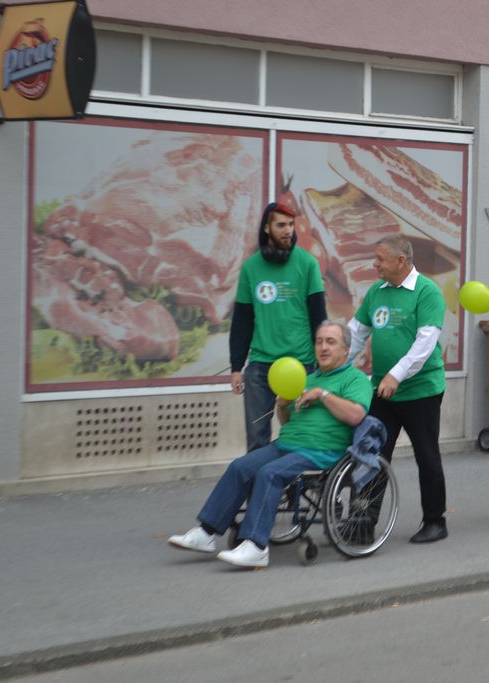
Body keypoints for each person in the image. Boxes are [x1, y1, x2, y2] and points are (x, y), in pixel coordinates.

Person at [168, 321, 372, 568]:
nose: (323, 348)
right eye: (319, 342)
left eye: (330, 342)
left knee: (269, 473)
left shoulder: (355, 379)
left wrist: (323, 395)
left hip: (322, 451)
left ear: (346, 350)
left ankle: (256, 546)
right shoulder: (306, 378)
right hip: (287, 444)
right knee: (240, 467)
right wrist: (282, 405)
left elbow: (356, 415)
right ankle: (206, 532)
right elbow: (286, 421)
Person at [347, 235, 449, 544]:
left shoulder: (427, 291)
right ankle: (361, 523)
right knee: (371, 455)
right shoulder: (376, 291)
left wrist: (396, 375)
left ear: (401, 260)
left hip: (421, 390)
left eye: (380, 258)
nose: (374, 264)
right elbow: (355, 334)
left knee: (427, 456)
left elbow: (425, 343)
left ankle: (435, 521)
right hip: (382, 391)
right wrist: (332, 366)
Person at [229, 202, 327, 452]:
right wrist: (237, 366)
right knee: (256, 440)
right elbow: (242, 320)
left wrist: (321, 362)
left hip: (301, 364)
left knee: (299, 436)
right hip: (261, 367)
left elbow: (319, 318)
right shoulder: (251, 267)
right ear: (267, 228)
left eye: (291, 225)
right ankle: (259, 479)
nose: (288, 231)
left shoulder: (307, 263)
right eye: (281, 225)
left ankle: (291, 477)